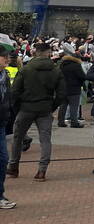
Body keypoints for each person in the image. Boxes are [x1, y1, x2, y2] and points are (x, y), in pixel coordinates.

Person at [7, 41, 64, 181]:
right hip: (45, 108)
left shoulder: (26, 69)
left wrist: (17, 106)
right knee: (45, 139)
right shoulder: (56, 70)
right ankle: (41, 170)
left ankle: (13, 167)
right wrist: (52, 106)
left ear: (34, 53)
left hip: (26, 107)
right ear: (49, 53)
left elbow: (15, 91)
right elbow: (62, 94)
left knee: (18, 138)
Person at [0, 36, 17, 208]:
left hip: (1, 122)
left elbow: (8, 97)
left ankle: (0, 195)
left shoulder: (5, 74)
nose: (7, 59)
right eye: (3, 56)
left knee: (3, 159)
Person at [57, 50, 86, 128]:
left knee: (63, 106)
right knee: (74, 106)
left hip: (63, 88)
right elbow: (82, 76)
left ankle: (60, 121)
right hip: (74, 88)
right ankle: (74, 122)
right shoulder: (76, 66)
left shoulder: (62, 65)